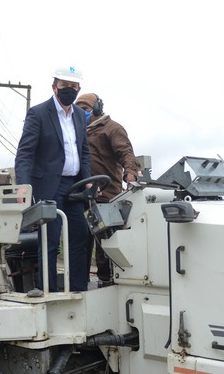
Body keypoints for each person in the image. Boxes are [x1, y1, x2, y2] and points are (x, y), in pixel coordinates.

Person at [14, 66, 92, 292]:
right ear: (54, 87)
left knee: (80, 235)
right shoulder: (38, 114)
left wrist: (87, 179)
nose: (69, 89)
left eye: (73, 86)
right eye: (64, 85)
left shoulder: (78, 115)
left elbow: (84, 151)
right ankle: (48, 291)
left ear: (79, 89)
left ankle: (78, 289)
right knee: (50, 237)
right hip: (49, 186)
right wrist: (24, 188)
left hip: (75, 186)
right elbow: (25, 153)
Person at [75, 93, 141, 285]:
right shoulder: (77, 132)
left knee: (106, 244)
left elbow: (126, 152)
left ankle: (109, 281)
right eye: (78, 110)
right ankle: (80, 283)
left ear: (97, 108)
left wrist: (131, 173)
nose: (81, 113)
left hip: (106, 196)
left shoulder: (112, 129)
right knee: (79, 243)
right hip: (80, 196)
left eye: (85, 109)